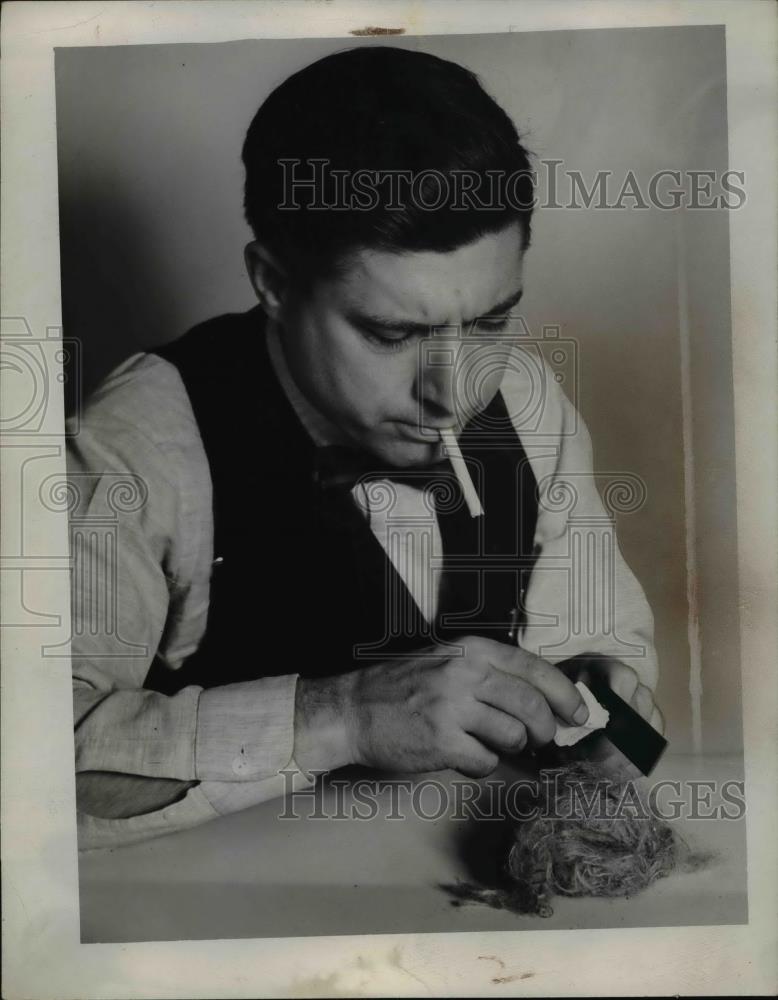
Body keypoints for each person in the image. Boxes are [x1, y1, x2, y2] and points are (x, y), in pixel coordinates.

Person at [68, 46, 662, 850]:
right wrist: (342, 717)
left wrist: (606, 705)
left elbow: (595, 642)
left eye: (489, 322)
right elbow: (31, 763)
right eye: (392, 332)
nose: (455, 392)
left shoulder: (521, 402)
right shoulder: (136, 448)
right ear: (273, 284)